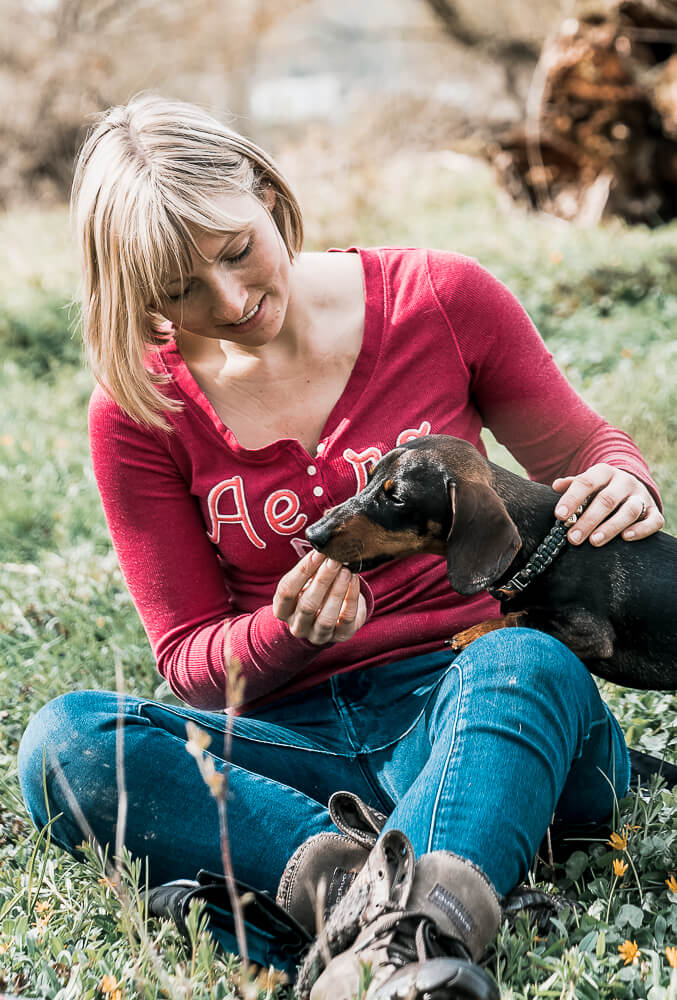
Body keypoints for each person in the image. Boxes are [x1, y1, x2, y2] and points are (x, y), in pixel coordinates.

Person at [17, 95, 664, 1000]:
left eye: (235, 251)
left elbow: (585, 450)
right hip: (292, 754)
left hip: (482, 710)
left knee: (526, 659)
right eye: (178, 291)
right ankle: (412, 917)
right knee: (66, 742)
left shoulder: (439, 299)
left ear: (265, 191)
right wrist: (286, 635)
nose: (231, 302)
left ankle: (329, 924)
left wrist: (622, 477)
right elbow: (192, 663)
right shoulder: (140, 409)